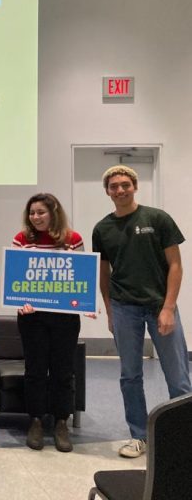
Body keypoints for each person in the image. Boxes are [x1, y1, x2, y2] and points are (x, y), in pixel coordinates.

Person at [93, 165, 191, 458]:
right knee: (130, 376)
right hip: (124, 309)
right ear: (107, 191)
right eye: (114, 186)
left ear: (135, 186)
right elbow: (104, 272)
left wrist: (169, 308)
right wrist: (110, 311)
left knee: (178, 376)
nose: (120, 190)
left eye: (125, 184)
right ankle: (138, 436)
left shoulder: (157, 219)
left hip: (159, 306)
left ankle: (183, 437)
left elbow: (176, 265)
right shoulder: (102, 228)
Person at [12, 194, 83, 452]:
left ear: (53, 212)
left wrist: (83, 302)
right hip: (32, 317)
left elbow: (78, 279)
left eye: (41, 212)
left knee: (64, 371)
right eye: (32, 213)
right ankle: (36, 421)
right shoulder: (22, 240)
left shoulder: (72, 240)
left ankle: (61, 422)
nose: (35, 217)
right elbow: (17, 278)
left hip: (65, 317)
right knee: (35, 370)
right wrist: (20, 300)